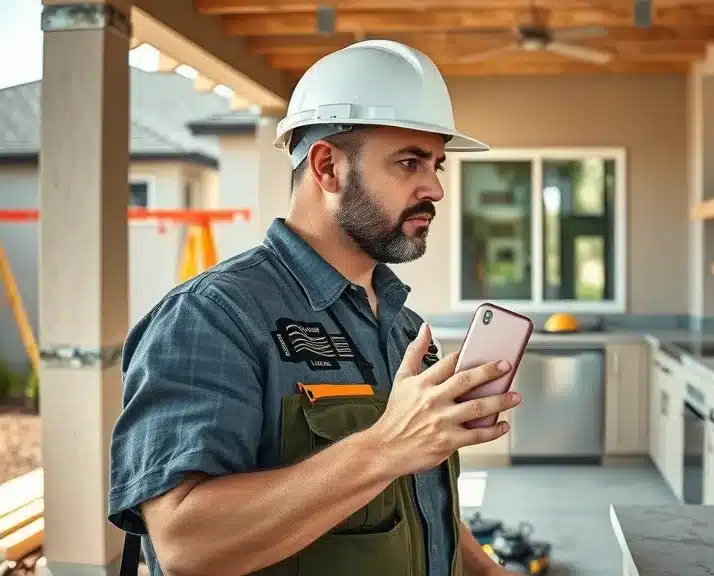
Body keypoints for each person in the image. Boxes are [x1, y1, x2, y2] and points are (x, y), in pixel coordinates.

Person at [107, 40, 521, 576]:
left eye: (437, 164)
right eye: (410, 162)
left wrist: (484, 569)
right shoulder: (214, 317)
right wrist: (385, 446)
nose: (436, 188)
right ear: (327, 167)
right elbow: (186, 545)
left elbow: (415, 499)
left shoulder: (402, 326)